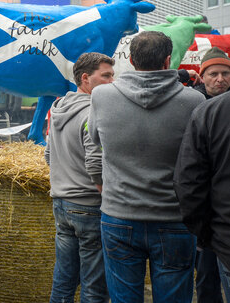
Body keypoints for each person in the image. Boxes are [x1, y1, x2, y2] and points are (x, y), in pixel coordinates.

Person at [88, 31, 204, 303]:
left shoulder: (102, 96)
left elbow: (94, 139)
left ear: (130, 59)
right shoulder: (194, 102)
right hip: (174, 217)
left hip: (119, 215)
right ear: (167, 61)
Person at [45, 53, 115, 303]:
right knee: (94, 286)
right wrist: (104, 194)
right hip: (88, 206)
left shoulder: (58, 108)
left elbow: (48, 155)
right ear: (85, 78)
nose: (112, 81)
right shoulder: (92, 112)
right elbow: (96, 162)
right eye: (105, 76)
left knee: (63, 279)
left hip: (61, 205)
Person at [174, 47, 230, 303]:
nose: (220, 79)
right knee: (206, 278)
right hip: (208, 218)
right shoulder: (190, 105)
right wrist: (201, 227)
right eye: (214, 74)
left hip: (220, 219)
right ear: (202, 76)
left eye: (226, 73)